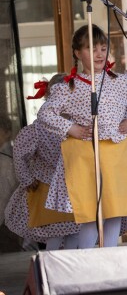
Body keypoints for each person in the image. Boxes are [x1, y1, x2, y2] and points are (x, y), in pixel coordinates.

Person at [36, 24, 127, 249]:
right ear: (78, 53)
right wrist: (71, 128)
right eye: (91, 49)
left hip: (118, 153)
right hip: (87, 155)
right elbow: (45, 113)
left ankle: (110, 253)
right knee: (90, 211)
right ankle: (87, 258)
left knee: (115, 209)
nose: (99, 54)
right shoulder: (68, 87)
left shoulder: (121, 81)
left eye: (103, 48)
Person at [4, 74, 80, 250]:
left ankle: (63, 271)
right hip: (51, 188)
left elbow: (20, 153)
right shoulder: (42, 128)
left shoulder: (78, 125)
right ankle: (58, 270)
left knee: (68, 232)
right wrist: (26, 179)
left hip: (66, 188)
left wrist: (27, 179)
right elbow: (20, 153)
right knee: (59, 233)